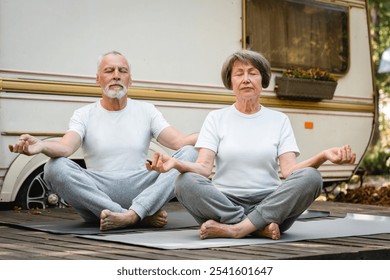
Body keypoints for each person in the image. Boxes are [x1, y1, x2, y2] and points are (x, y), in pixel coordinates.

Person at [147, 50, 356, 240]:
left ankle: (235, 229)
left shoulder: (279, 120)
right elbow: (203, 168)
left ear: (262, 80)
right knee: (184, 182)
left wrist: (323, 156)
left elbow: (290, 171)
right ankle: (257, 227)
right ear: (231, 81)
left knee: (312, 177)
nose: (246, 79)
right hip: (225, 202)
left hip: (270, 202)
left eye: (252, 73)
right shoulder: (216, 118)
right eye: (239, 73)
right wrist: (175, 163)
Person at [9, 51, 198, 231]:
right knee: (53, 167)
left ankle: (131, 215)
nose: (116, 75)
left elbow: (180, 142)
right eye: (109, 71)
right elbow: (66, 147)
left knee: (190, 153)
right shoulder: (84, 114)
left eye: (122, 71)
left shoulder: (147, 110)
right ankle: (136, 216)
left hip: (142, 188)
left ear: (130, 79)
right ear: (98, 79)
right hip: (99, 192)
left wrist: (215, 133)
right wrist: (41, 145)